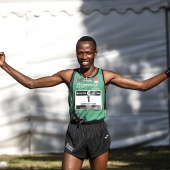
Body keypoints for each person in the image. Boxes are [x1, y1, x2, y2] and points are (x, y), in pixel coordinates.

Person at [0, 36, 169, 170]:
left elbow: (142, 86)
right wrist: (4, 65)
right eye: (80, 53)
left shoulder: (106, 76)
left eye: (88, 53)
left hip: (97, 130)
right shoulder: (68, 75)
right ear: (76, 53)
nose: (84, 57)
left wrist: (167, 73)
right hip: (75, 131)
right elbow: (32, 83)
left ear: (95, 53)